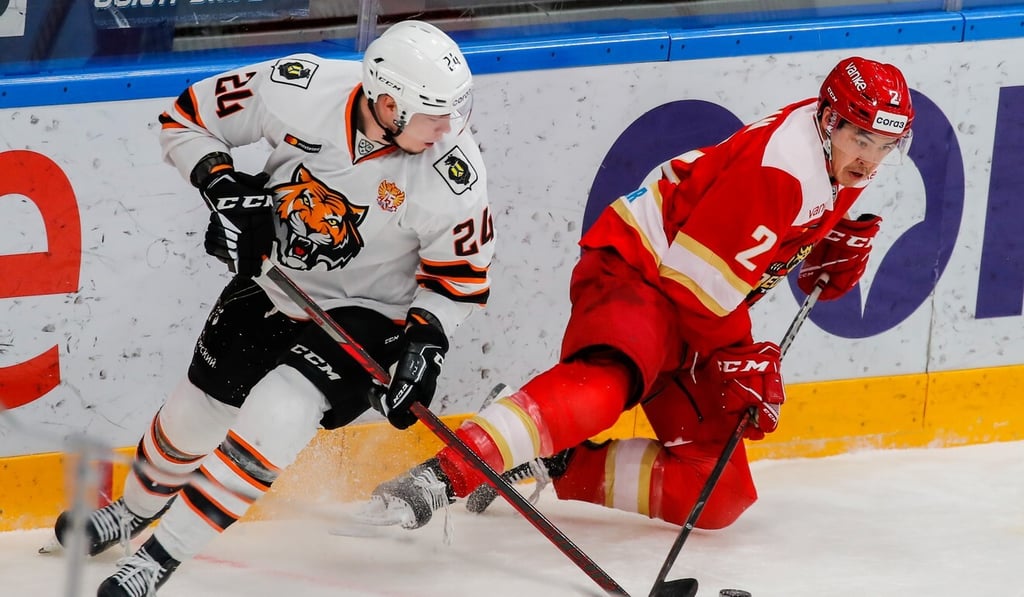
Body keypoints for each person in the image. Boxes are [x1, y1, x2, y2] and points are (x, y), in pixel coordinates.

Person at [360, 56, 914, 534]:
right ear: (828, 120)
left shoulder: (836, 153)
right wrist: (741, 356)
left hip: (697, 303)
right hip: (638, 270)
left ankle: (551, 461)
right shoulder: (781, 169)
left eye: (885, 145)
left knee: (715, 492)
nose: (869, 159)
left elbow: (756, 251)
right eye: (860, 139)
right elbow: (694, 285)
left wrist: (822, 251)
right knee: (606, 386)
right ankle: (441, 477)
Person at [51, 19, 493, 597]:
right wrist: (225, 186)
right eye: (435, 115)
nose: (448, 130)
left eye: (454, 112)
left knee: (279, 413)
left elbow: (458, 279)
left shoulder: (453, 176)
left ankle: (159, 558)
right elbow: (186, 119)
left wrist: (426, 345)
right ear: (388, 104)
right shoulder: (299, 86)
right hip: (274, 281)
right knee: (194, 413)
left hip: (369, 317)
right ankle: (135, 511)